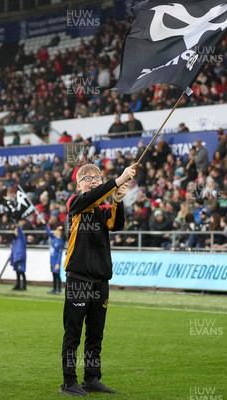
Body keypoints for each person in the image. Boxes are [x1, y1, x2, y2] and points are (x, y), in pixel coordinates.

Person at [59, 162, 136, 396]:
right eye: (88, 178)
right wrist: (118, 180)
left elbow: (117, 225)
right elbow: (92, 197)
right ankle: (68, 382)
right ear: (78, 184)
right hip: (79, 279)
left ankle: (91, 378)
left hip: (100, 281)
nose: (93, 181)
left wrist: (118, 200)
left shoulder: (102, 211)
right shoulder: (75, 203)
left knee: (95, 334)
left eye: (97, 178)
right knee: (73, 334)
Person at [43, 219, 65, 294]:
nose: (54, 232)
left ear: (59, 233)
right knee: (53, 275)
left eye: (56, 231)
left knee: (57, 275)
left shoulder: (60, 242)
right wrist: (45, 225)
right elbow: (49, 233)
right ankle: (54, 288)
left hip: (56, 261)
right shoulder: (54, 239)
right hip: (52, 261)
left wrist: (58, 263)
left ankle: (58, 289)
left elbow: (60, 253)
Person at [10, 219, 27, 291]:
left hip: (20, 257)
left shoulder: (22, 237)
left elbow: (20, 231)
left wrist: (17, 224)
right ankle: (18, 285)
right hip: (16, 257)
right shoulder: (15, 239)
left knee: (21, 271)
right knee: (17, 271)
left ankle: (24, 286)